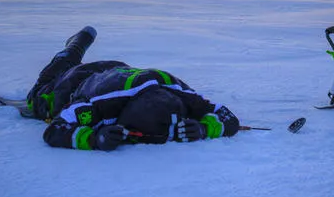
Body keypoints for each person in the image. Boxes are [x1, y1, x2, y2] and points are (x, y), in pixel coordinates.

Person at [25, 26, 240, 152]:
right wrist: (94, 138)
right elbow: (54, 130)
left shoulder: (178, 92)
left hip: (118, 70)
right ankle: (74, 47)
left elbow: (229, 118)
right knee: (39, 100)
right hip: (76, 82)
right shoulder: (100, 104)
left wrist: (204, 128)